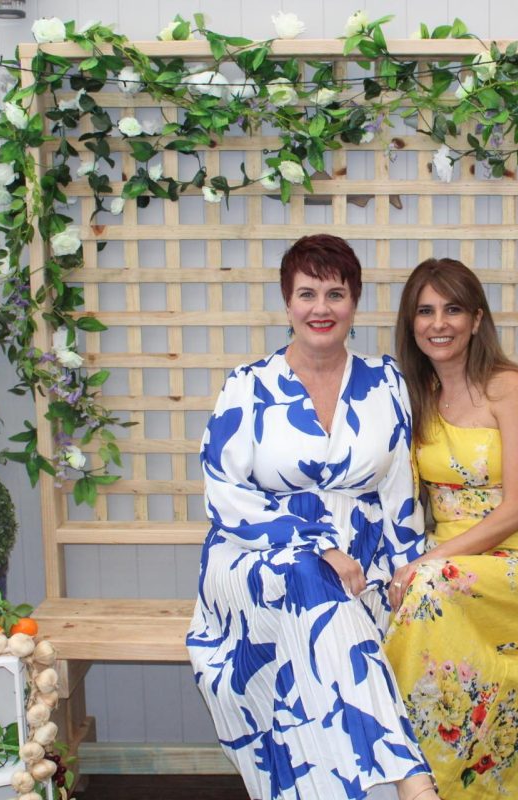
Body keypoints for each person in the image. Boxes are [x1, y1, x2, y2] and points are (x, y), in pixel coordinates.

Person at [186, 234, 439, 800]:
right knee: (313, 579)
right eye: (306, 294)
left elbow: (400, 486)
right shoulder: (247, 385)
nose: (320, 308)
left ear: (355, 302)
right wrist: (317, 544)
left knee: (328, 612)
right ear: (286, 302)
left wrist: (407, 567)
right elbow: (223, 493)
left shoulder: (384, 381)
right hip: (255, 555)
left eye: (335, 293)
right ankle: (413, 782)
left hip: (362, 560)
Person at [383, 258, 518, 799]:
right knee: (382, 611)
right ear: (411, 324)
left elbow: (517, 510)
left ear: (477, 319)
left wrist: (426, 562)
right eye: (424, 311)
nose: (438, 323)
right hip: (459, 568)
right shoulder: (414, 397)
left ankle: (416, 781)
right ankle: (415, 773)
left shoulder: (509, 388)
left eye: (452, 309)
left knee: (426, 588)